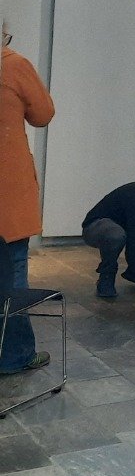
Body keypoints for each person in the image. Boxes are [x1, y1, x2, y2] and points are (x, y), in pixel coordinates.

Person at [0, 25, 55, 375]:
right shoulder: (12, 64)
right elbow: (43, 114)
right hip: (6, 197)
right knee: (12, 276)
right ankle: (15, 356)